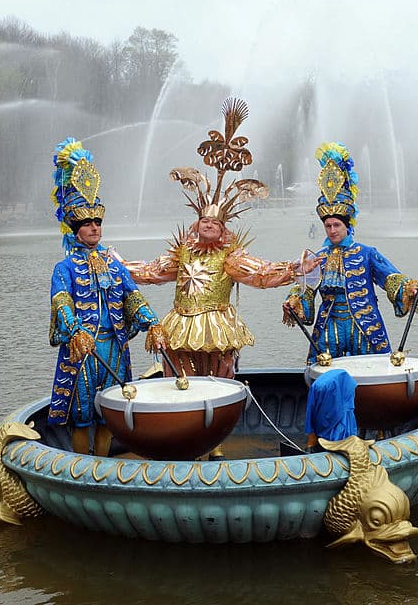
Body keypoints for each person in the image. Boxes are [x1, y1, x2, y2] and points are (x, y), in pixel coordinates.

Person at [123, 97, 317, 380]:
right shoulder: (183, 254)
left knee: (218, 378)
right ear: (197, 224)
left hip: (217, 324)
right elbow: (152, 271)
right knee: (178, 377)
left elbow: (259, 273)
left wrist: (293, 269)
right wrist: (118, 266)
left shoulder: (229, 257)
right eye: (205, 221)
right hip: (181, 323)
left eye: (215, 222)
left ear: (224, 228)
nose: (209, 225)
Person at [48, 138, 167, 457]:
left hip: (114, 344)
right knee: (82, 414)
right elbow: (61, 302)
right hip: (83, 347)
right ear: (75, 229)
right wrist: (75, 330)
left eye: (97, 222)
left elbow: (132, 295)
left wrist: (152, 322)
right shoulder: (65, 267)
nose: (94, 228)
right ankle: (80, 465)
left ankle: (100, 463)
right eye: (87, 223)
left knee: (110, 410)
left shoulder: (114, 262)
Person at [282, 142, 418, 364]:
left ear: (347, 227)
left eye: (336, 226)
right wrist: (294, 302)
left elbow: (390, 277)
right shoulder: (318, 257)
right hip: (329, 325)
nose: (332, 230)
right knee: (325, 372)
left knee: (372, 370)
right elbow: (305, 288)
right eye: (328, 226)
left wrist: (409, 287)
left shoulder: (366, 253)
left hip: (365, 325)